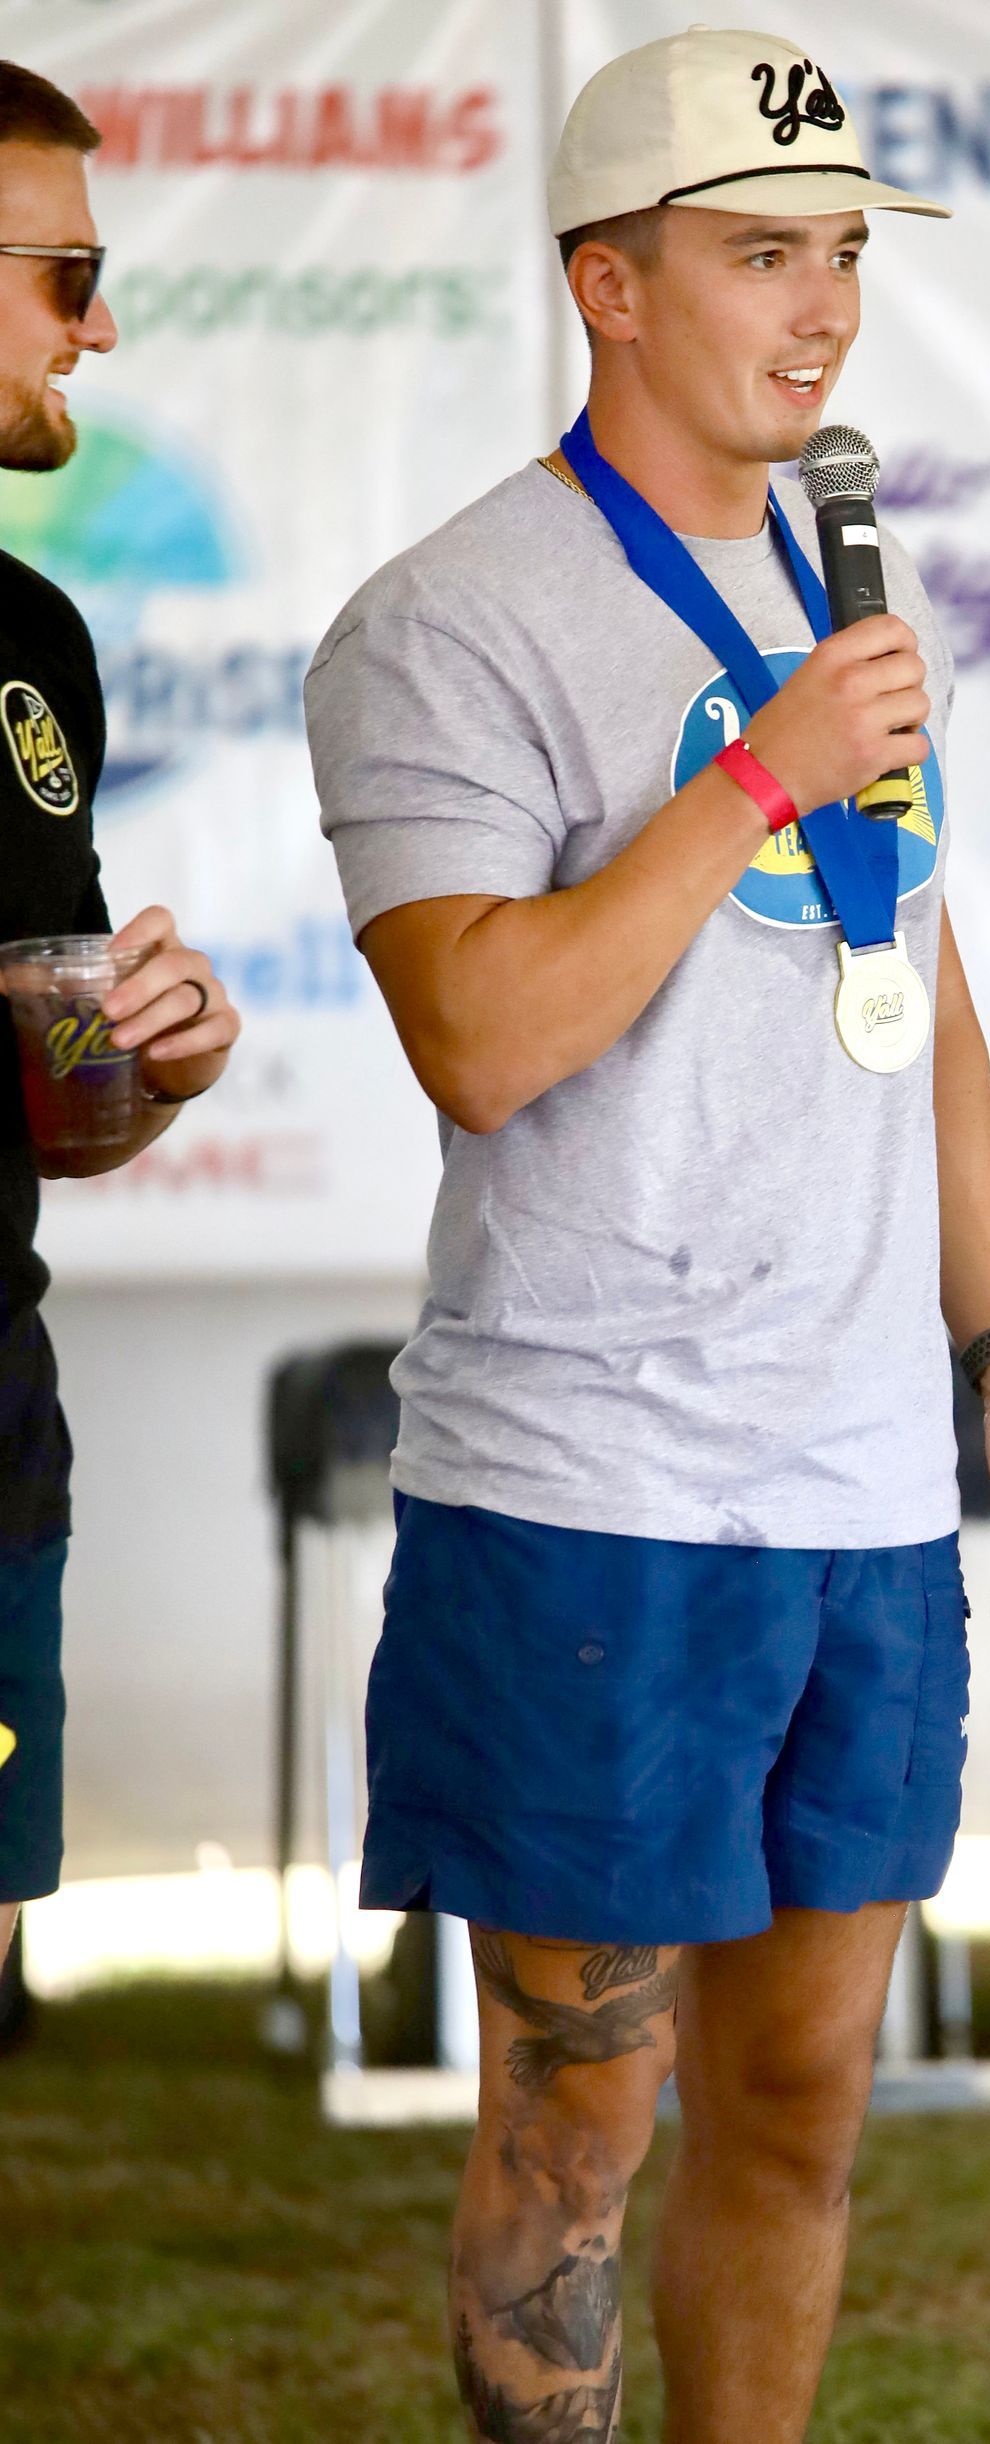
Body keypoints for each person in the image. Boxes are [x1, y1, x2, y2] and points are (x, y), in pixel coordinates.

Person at [305, 29, 990, 2443]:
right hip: (594, 1487)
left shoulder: (846, 588)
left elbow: (923, 985)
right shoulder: (446, 620)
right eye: (765, 252)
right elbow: (486, 1033)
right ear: (610, 287)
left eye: (847, 249)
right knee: (583, 2126)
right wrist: (756, 764)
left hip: (864, 1479)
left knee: (804, 2110)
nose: (827, 306)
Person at [0, 64, 240, 1996]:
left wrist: (145, 1063)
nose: (103, 323)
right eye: (67, 268)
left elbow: (61, 1114)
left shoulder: (36, 638)